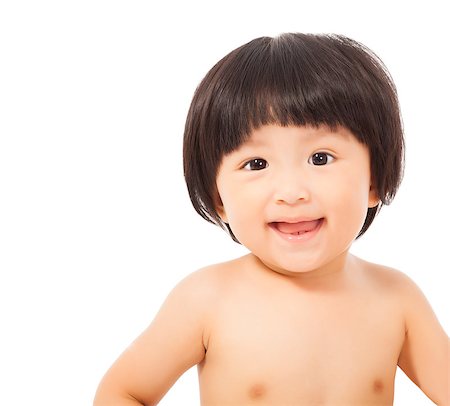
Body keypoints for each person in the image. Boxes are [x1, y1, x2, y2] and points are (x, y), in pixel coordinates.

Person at [93, 33, 449, 405]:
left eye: (321, 158)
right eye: (256, 164)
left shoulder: (396, 300)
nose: (292, 192)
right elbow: (122, 392)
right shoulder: (207, 301)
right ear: (220, 200)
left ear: (374, 179)